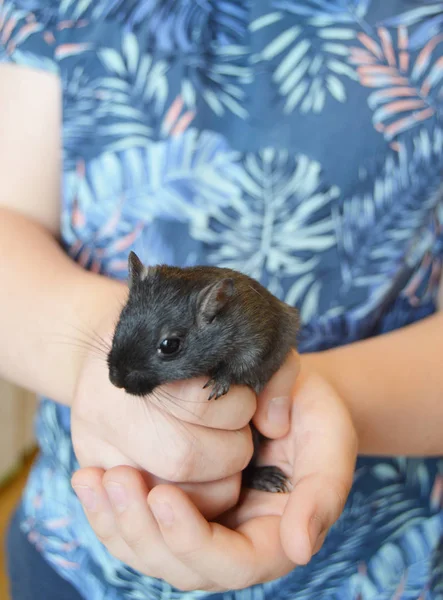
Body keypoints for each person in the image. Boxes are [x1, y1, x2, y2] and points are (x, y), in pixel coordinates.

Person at [1, 0, 442, 598]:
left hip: (378, 566)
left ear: (215, 312)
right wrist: (82, 349)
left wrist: (305, 404)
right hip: (75, 545)